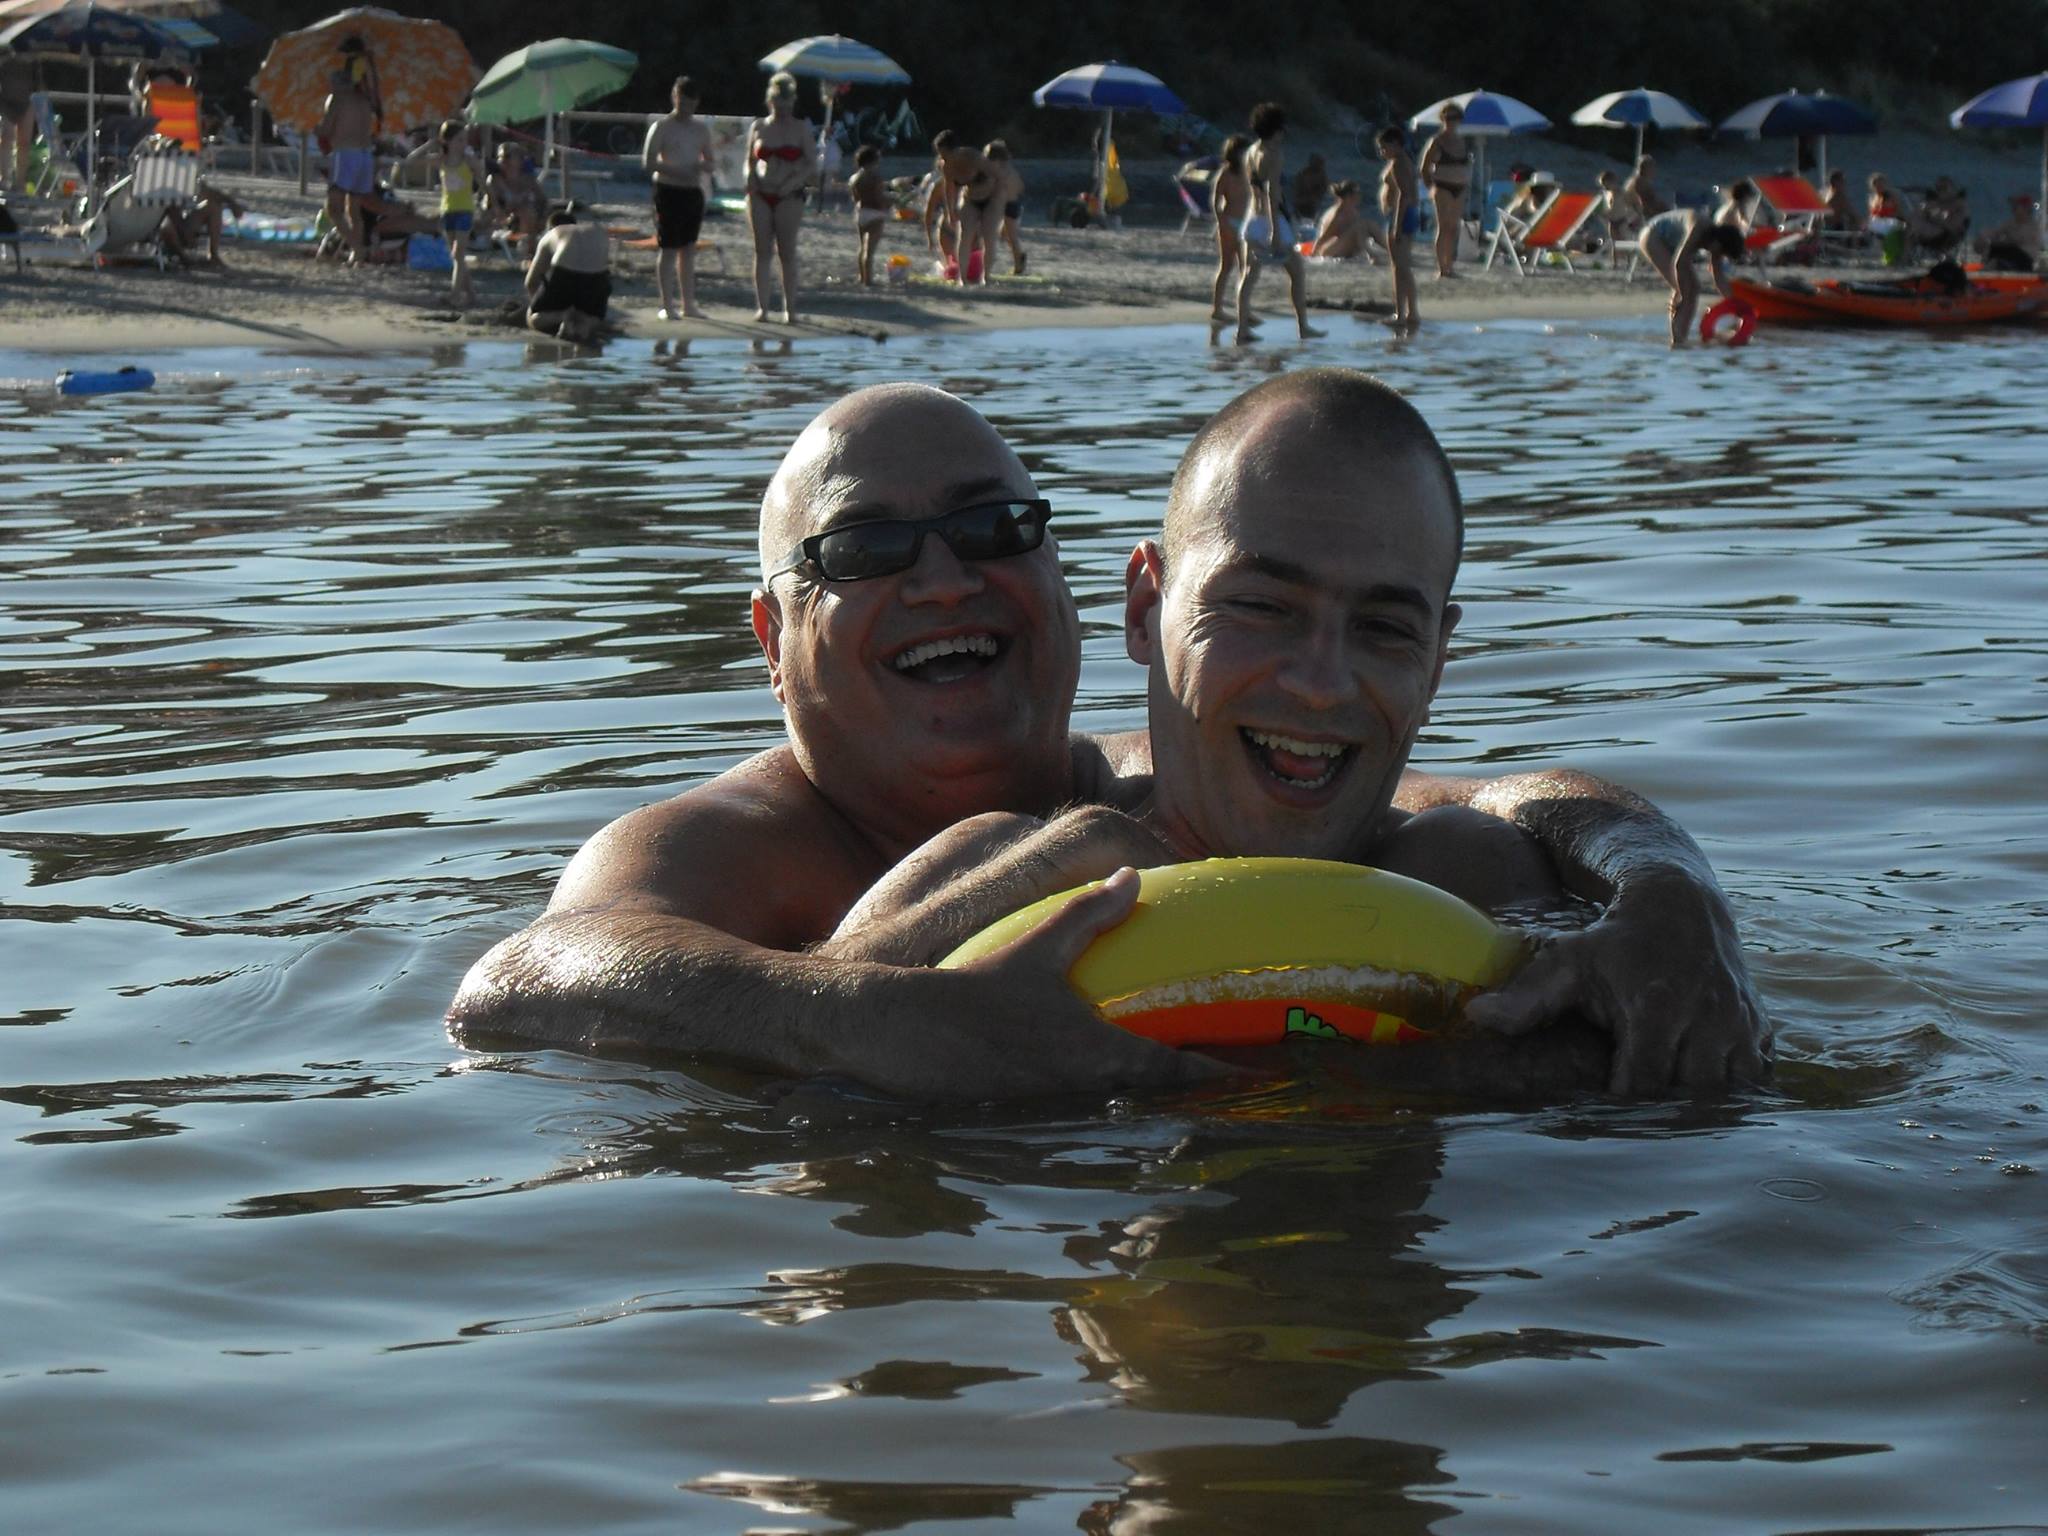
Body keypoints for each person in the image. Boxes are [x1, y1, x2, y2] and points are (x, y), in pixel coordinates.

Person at [446, 382, 1771, 1100]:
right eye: (865, 551)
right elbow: (522, 987)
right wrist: (867, 1020)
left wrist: (1670, 888)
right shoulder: (739, 849)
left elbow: (1509, 802)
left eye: (991, 531)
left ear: (1099, 597)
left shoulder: (1163, 789)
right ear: (771, 638)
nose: (947, 581)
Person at [832, 370, 1771, 1095]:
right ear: (1144, 606)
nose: (1320, 687)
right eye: (1263, 608)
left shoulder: (1478, 877)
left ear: (1437, 661)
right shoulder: (994, 872)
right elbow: (793, 1081)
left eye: (1384, 628)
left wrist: (1670, 889)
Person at [1235, 102, 1322, 342]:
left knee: (1248, 276)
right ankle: (1303, 327)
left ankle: (1242, 329)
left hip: (1251, 219)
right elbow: (1272, 192)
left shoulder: (1251, 152)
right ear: (1277, 130)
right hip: (1269, 221)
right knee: (1296, 272)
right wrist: (1275, 229)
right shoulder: (1274, 155)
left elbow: (1255, 187)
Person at [642, 75, 713, 321]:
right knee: (669, 248)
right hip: (667, 190)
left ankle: (688, 304)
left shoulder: (701, 129)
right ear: (675, 98)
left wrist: (704, 166)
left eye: (690, 104)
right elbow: (648, 162)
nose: (686, 109)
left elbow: (711, 161)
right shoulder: (662, 127)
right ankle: (666, 304)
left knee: (688, 249)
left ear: (696, 103)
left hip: (692, 193)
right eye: (682, 103)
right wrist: (676, 170)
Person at [747, 72, 816, 321]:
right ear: (770, 101)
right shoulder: (759, 126)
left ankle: (790, 309)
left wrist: (793, 182)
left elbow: (811, 164)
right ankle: (762, 308)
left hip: (789, 194)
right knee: (761, 251)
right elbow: (750, 160)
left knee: (787, 252)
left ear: (793, 102)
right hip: (761, 193)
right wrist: (750, 177)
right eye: (778, 102)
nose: (783, 108)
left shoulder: (800, 129)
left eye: (787, 103)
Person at [1639, 207, 1745, 346]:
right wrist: (1682, 293)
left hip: (1672, 243)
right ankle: (1677, 340)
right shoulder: (1699, 227)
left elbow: (1718, 277)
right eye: (1721, 252)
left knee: (1692, 288)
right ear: (1718, 243)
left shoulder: (1717, 243)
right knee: (1687, 289)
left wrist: (1735, 307)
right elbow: (1679, 262)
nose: (1718, 255)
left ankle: (1681, 336)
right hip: (1653, 236)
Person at [403, 119, 483, 306]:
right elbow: (410, 161)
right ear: (447, 141)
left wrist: (493, 204)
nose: (464, 144)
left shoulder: (468, 160)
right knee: (457, 257)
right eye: (459, 140)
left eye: (465, 140)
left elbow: (482, 180)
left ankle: (455, 295)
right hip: (447, 210)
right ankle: (470, 294)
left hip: (465, 209)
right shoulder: (441, 160)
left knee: (458, 254)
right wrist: (429, 144)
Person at [315, 54, 379, 265]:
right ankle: (356, 257)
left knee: (334, 209)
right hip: (365, 155)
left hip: (346, 155)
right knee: (355, 210)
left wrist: (314, 127)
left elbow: (326, 129)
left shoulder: (338, 98)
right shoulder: (365, 100)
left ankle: (358, 249)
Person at [525, 203, 612, 342]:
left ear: (550, 227)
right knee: (594, 317)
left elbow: (531, 282)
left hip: (565, 271)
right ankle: (585, 323)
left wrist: (538, 306)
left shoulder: (551, 234)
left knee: (533, 318)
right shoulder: (596, 230)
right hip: (597, 275)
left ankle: (563, 317)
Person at [931, 128, 997, 286]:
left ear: (953, 150)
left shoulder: (973, 156)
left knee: (987, 237)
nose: (942, 157)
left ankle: (985, 276)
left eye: (943, 152)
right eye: (939, 153)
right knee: (964, 236)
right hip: (970, 198)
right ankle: (963, 277)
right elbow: (949, 189)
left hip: (989, 197)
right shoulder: (947, 166)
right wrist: (950, 211)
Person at [1417, 101, 1472, 278]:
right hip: (1442, 186)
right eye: (1448, 118)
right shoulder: (1436, 141)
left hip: (1460, 187)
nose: (1452, 121)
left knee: (1454, 228)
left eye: (1455, 118)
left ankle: (1450, 265)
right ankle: (1442, 267)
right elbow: (1424, 168)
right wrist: (1431, 187)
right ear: (1442, 119)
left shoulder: (1462, 141)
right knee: (1443, 226)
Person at [1376, 126, 1422, 329]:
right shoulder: (1404, 161)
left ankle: (1401, 314)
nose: (1381, 152)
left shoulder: (1398, 163)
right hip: (1405, 215)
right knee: (1403, 266)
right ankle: (1410, 312)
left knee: (1399, 267)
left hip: (1401, 216)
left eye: (1384, 148)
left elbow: (1404, 194)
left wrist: (1396, 225)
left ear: (1395, 144)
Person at [1208, 133, 1252, 323]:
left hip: (1247, 224)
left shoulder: (1251, 171)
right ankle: (1217, 308)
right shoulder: (1226, 173)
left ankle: (1243, 309)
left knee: (1247, 268)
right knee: (1226, 266)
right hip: (1229, 222)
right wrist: (1221, 221)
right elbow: (1215, 201)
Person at [484, 142, 549, 260]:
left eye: (507, 156)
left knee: (528, 211)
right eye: (499, 157)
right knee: (525, 211)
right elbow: (493, 208)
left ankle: (529, 252)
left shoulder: (528, 180)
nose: (502, 160)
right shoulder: (494, 180)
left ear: (520, 160)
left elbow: (543, 200)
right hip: (499, 220)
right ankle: (526, 250)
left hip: (524, 222)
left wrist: (543, 216)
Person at [850, 144, 890, 286]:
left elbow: (855, 199)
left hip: (861, 213)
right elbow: (878, 197)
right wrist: (887, 205)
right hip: (875, 213)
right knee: (870, 250)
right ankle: (868, 280)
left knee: (862, 247)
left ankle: (862, 277)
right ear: (873, 160)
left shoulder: (854, 178)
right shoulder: (875, 177)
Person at [986, 139, 1026, 276]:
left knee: (1009, 237)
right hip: (1015, 203)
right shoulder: (1012, 170)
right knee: (1008, 236)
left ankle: (1018, 265)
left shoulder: (997, 170)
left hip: (1005, 205)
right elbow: (1021, 187)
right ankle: (1019, 256)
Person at [1975, 193, 2041, 271]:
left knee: (2006, 249)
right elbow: (1996, 232)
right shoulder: (2011, 223)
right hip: (2012, 257)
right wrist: (1984, 235)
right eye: (2014, 207)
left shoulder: (2032, 225)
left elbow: (2018, 239)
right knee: (1995, 248)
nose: (2013, 209)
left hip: (2026, 260)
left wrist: (2004, 241)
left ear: (2026, 208)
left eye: (2016, 206)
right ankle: (1987, 267)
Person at [1311, 179, 1370, 260]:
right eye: (1358, 193)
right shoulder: (1337, 214)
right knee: (1358, 227)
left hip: (1341, 247)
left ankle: (1388, 248)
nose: (1360, 196)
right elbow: (1322, 238)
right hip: (1328, 251)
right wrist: (1312, 256)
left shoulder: (1352, 211)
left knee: (1369, 225)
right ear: (1348, 196)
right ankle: (1372, 255)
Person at [2, 54, 36, 194]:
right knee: (7, 137)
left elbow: (38, 73)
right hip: (5, 97)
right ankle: (4, 179)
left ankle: (20, 182)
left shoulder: (32, 50)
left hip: (27, 98)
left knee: (24, 142)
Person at [1291, 152, 1330, 226]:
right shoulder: (1303, 174)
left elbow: (1324, 189)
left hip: (1312, 203)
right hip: (1302, 203)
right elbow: (1296, 191)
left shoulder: (1322, 175)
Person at [1625, 154, 1669, 219]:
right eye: (1652, 167)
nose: (1654, 170)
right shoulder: (1640, 183)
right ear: (1645, 169)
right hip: (1636, 218)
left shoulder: (1637, 180)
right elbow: (1647, 204)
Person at [1821, 168, 1860, 232]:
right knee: (1854, 222)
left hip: (1824, 227)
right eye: (1843, 181)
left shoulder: (1826, 193)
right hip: (1833, 230)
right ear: (1836, 182)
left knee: (1851, 221)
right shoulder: (1839, 196)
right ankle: (1855, 241)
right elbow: (1852, 214)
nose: (1845, 183)